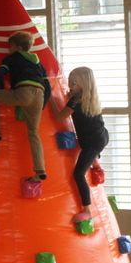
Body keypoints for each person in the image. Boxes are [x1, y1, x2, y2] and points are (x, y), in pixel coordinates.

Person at [0, 31, 52, 182]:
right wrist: (42, 105)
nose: (9, 49)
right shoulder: (38, 62)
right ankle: (40, 171)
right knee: (33, 133)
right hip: (39, 95)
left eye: (10, 46)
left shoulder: (12, 58)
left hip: (23, 91)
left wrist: (1, 90)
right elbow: (48, 86)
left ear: (18, 47)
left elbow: (0, 73)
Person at [49, 66, 109, 223]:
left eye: (74, 83)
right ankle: (96, 164)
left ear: (83, 84)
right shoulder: (91, 98)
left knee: (78, 174)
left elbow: (59, 117)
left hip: (91, 142)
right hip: (101, 136)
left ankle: (87, 210)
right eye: (70, 81)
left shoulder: (75, 101)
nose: (70, 85)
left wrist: (50, 98)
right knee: (85, 146)